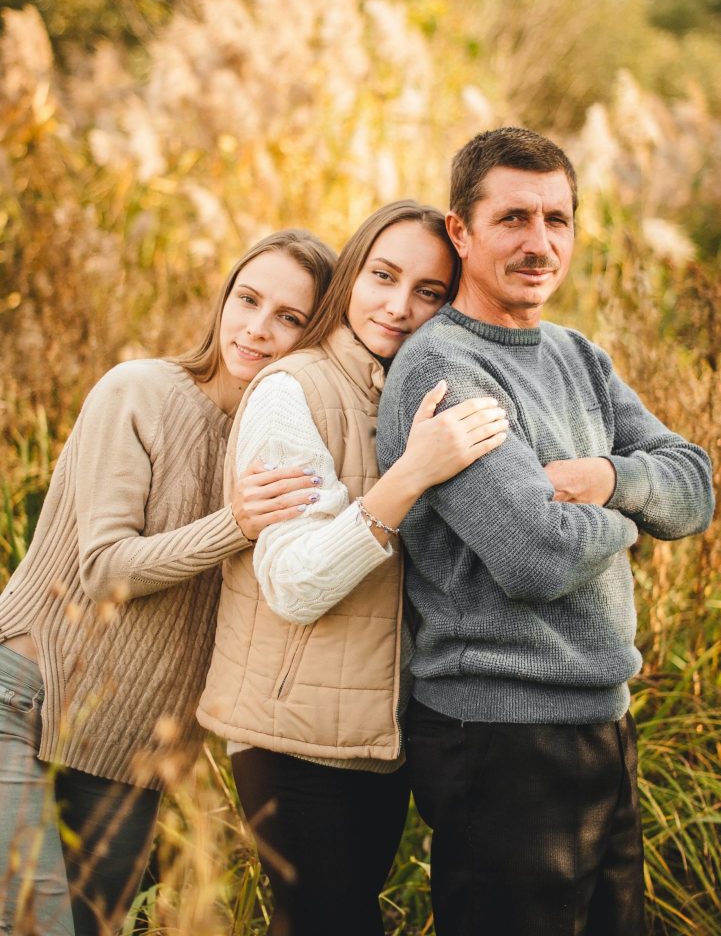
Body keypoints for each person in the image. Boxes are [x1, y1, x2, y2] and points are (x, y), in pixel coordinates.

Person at [376, 127, 716, 936]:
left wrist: (605, 480)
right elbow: (534, 555)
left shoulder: (576, 355)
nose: (539, 244)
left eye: (555, 220)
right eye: (513, 220)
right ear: (460, 231)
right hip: (498, 738)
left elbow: (696, 485)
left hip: (601, 722)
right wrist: (633, 519)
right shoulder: (443, 367)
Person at [0, 229, 338, 936]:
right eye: (247, 300)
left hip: (135, 752)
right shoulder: (140, 392)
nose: (256, 328)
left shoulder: (283, 443)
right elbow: (103, 570)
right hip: (25, 704)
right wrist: (235, 523)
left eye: (288, 318)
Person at [198, 199, 510, 936]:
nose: (399, 308)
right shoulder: (292, 390)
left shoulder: (398, 392)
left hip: (377, 736)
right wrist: (409, 475)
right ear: (350, 274)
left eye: (428, 292)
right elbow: (295, 583)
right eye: (382, 276)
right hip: (291, 738)